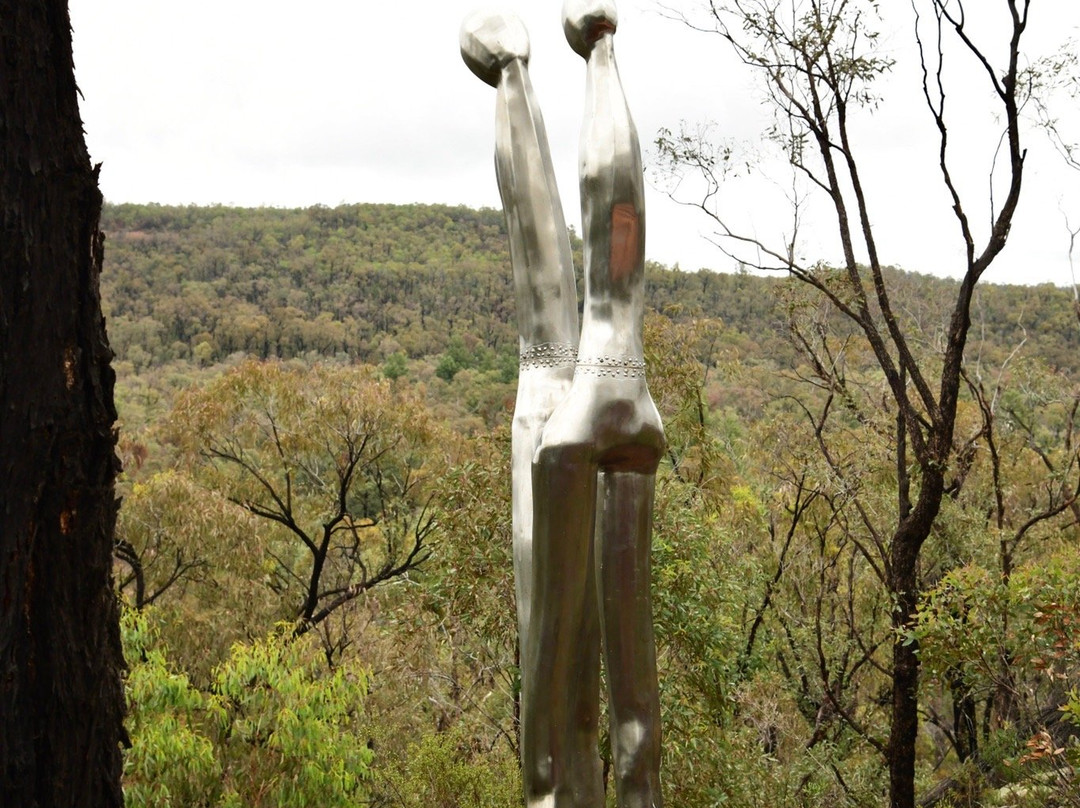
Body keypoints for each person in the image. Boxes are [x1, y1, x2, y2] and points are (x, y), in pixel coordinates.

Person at [461, 2, 664, 805]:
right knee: (635, 697)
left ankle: (512, 71)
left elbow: (531, 234)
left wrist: (508, 75)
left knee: (555, 688)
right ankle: (599, 53)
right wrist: (599, 49)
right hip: (629, 382)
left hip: (558, 419)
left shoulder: (541, 373)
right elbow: (621, 224)